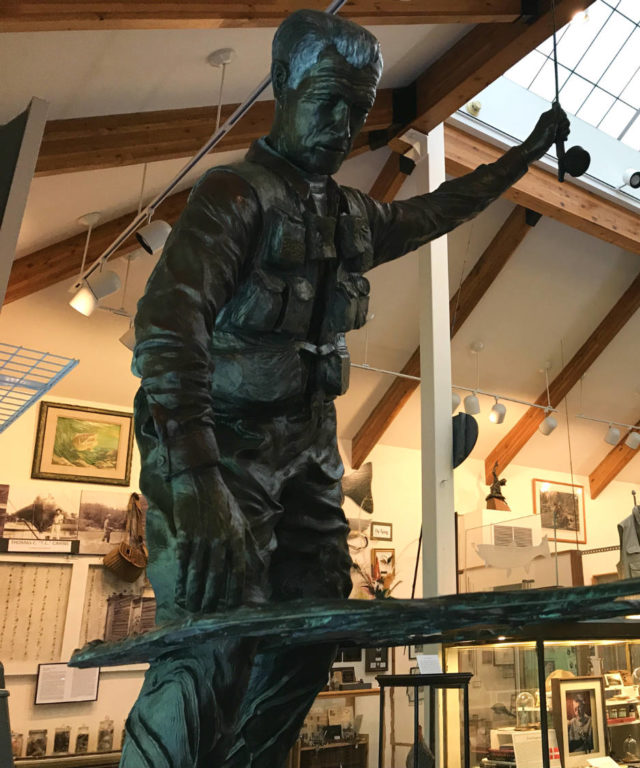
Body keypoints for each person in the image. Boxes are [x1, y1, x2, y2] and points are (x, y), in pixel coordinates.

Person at [122, 10, 570, 767]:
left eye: (357, 109)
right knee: (213, 647)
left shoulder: (350, 216)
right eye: (327, 98)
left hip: (309, 457)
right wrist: (197, 481)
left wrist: (521, 155)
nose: (340, 124)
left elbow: (436, 211)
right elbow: (169, 329)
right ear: (287, 88)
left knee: (316, 622)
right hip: (217, 455)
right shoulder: (235, 198)